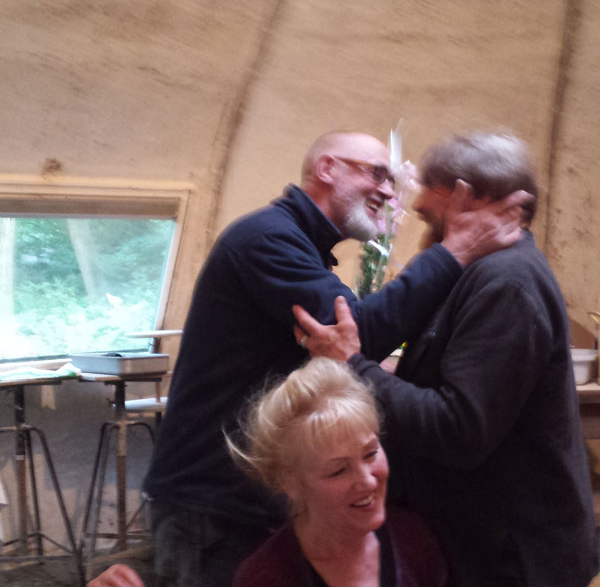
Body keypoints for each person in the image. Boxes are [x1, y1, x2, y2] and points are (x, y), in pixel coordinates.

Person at [140, 130, 531, 586]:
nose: (389, 192)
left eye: (391, 180)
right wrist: (455, 249)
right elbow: (360, 335)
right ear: (327, 169)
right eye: (377, 174)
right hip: (211, 507)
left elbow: (335, 351)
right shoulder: (266, 238)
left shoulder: (298, 243)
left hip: (239, 501)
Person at [292, 131, 598, 587]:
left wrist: (354, 365)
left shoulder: (506, 283)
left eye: (429, 188)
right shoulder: (481, 272)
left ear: (467, 195)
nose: (416, 204)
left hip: (514, 561)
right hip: (484, 547)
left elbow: (457, 430)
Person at [229, 356, 448, 587]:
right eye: (338, 471)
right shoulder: (265, 578)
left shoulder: (413, 539)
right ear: (290, 483)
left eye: (370, 453)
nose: (367, 481)